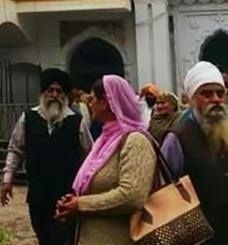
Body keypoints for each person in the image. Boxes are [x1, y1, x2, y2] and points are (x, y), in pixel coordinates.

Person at [55, 75, 157, 245]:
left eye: (93, 98)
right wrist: (71, 203)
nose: (90, 103)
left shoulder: (135, 141)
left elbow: (132, 196)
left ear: (105, 102)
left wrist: (81, 204)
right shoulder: (105, 140)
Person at [1, 69, 92, 245]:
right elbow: (15, 149)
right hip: (38, 194)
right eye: (50, 90)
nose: (54, 95)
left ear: (65, 95)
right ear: (43, 93)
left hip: (66, 196)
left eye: (59, 91)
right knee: (44, 237)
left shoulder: (77, 121)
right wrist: (7, 179)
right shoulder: (28, 118)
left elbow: (89, 155)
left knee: (63, 239)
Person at [162, 61, 228, 243]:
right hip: (199, 235)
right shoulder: (177, 138)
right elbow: (165, 190)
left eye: (220, 93)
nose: (215, 99)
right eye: (206, 94)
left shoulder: (225, 129)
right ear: (192, 98)